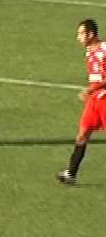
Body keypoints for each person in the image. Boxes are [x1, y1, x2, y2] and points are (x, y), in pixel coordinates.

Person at [56, 19, 106, 185]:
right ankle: (71, 174)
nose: (78, 37)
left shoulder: (104, 50)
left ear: (90, 34)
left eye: (81, 33)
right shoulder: (89, 52)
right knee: (82, 134)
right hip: (94, 101)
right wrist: (91, 91)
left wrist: (91, 90)